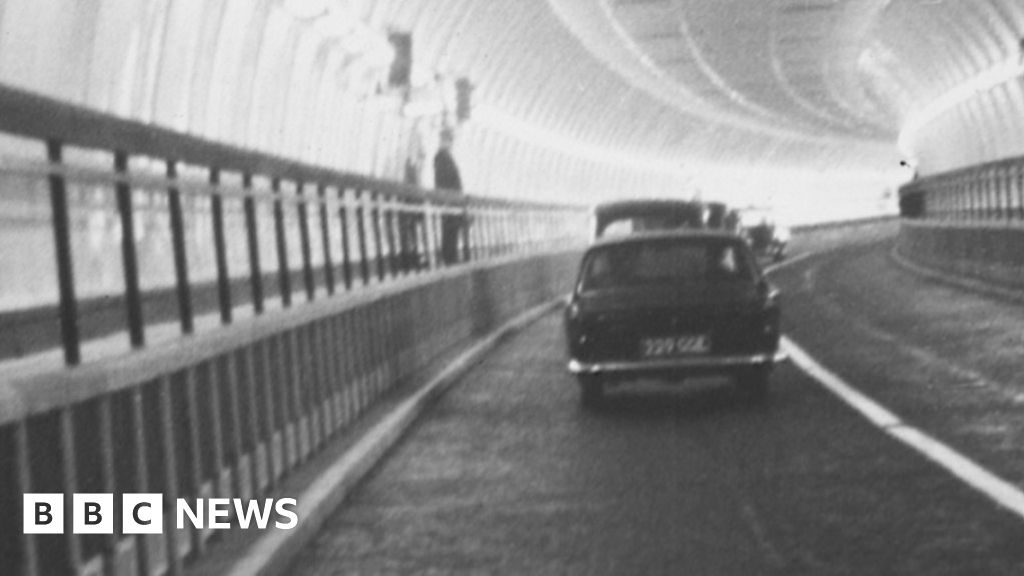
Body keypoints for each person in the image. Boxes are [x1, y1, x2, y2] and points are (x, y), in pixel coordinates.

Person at [434, 128, 464, 264]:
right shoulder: (441, 156)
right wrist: (446, 198)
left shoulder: (446, 156)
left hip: (452, 200)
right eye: (448, 140)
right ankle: (450, 258)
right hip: (449, 200)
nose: (450, 143)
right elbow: (442, 180)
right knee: (449, 230)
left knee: (451, 230)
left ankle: (451, 257)